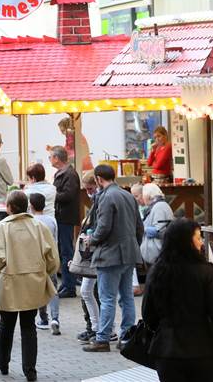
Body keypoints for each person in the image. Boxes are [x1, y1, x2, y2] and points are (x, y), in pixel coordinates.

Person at [143, 219, 213, 381]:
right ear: (186, 242)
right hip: (203, 351)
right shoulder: (206, 272)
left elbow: (148, 314)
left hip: (167, 351)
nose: (202, 242)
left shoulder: (157, 272)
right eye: (198, 237)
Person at [0, 190, 59, 382]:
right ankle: (30, 370)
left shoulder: (0, 229)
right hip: (32, 283)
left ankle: (3, 362)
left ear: (9, 208)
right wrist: (45, 272)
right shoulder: (39, 227)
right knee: (29, 326)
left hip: (8, 283)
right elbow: (52, 259)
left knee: (5, 324)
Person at [83, 164, 144, 352]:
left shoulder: (106, 197)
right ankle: (126, 336)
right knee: (126, 297)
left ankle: (102, 339)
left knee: (107, 297)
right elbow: (139, 227)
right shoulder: (127, 195)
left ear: (99, 179)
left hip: (110, 255)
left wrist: (90, 240)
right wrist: (134, 245)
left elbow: (103, 228)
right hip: (129, 253)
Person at [49, 145, 80, 298]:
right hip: (62, 216)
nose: (49, 159)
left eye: (50, 156)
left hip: (66, 217)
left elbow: (68, 195)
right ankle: (67, 284)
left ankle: (70, 286)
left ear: (56, 158)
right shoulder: (63, 173)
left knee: (67, 251)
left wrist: (52, 194)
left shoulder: (70, 174)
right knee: (63, 250)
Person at [29, 192, 61, 335]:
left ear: (31, 206)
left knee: (39, 289)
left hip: (35, 260)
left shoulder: (30, 221)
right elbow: (56, 241)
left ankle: (43, 318)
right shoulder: (51, 220)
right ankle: (55, 318)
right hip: (50, 258)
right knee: (53, 289)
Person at [77, 170, 102, 344]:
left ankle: (98, 328)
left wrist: (90, 236)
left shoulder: (101, 200)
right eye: (86, 189)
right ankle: (95, 327)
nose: (88, 192)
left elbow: (100, 226)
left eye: (90, 188)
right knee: (90, 291)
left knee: (89, 291)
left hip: (97, 251)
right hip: (95, 251)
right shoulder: (98, 200)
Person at [140, 183, 174, 268]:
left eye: (143, 195)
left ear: (148, 195)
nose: (142, 198)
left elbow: (160, 230)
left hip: (158, 256)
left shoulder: (160, 206)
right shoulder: (157, 206)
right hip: (157, 256)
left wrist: (142, 228)